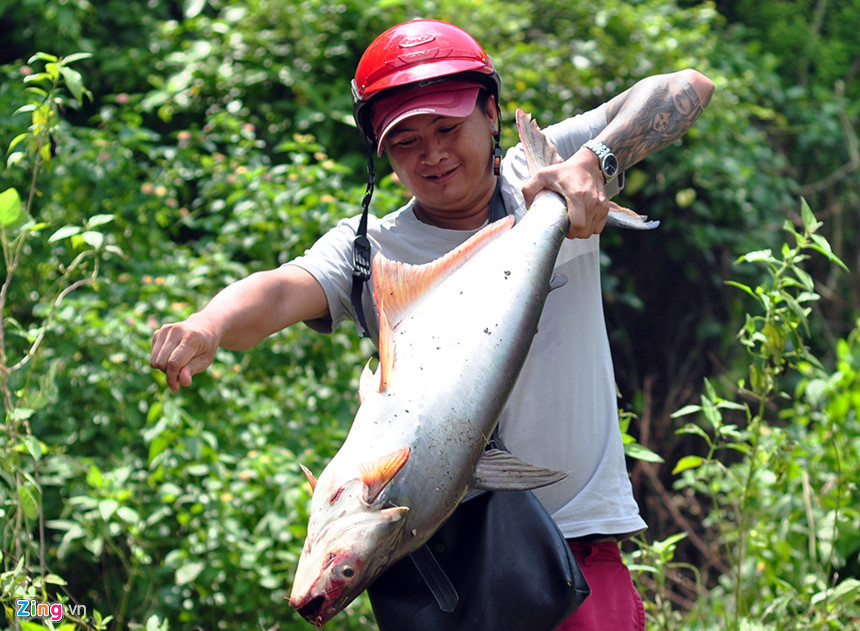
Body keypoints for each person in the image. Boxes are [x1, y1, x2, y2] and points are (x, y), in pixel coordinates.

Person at [150, 18, 713, 630]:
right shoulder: (369, 250)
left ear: (491, 113)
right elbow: (281, 290)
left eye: (448, 128)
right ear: (382, 153)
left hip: (577, 555)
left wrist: (593, 160)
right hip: (448, 583)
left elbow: (689, 85)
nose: (434, 154)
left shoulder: (543, 175)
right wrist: (208, 323)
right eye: (406, 142)